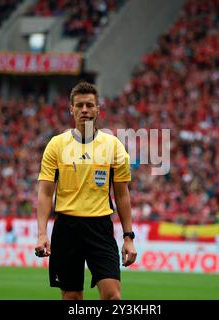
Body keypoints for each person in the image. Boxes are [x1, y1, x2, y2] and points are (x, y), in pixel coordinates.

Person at [35, 82, 137, 300]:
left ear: (98, 109)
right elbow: (45, 193)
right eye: (79, 105)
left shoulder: (113, 145)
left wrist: (128, 237)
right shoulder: (56, 145)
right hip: (66, 227)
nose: (84, 110)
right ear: (71, 109)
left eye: (89, 105)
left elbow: (122, 194)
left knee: (113, 296)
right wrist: (42, 234)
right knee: (72, 298)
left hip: (100, 228)